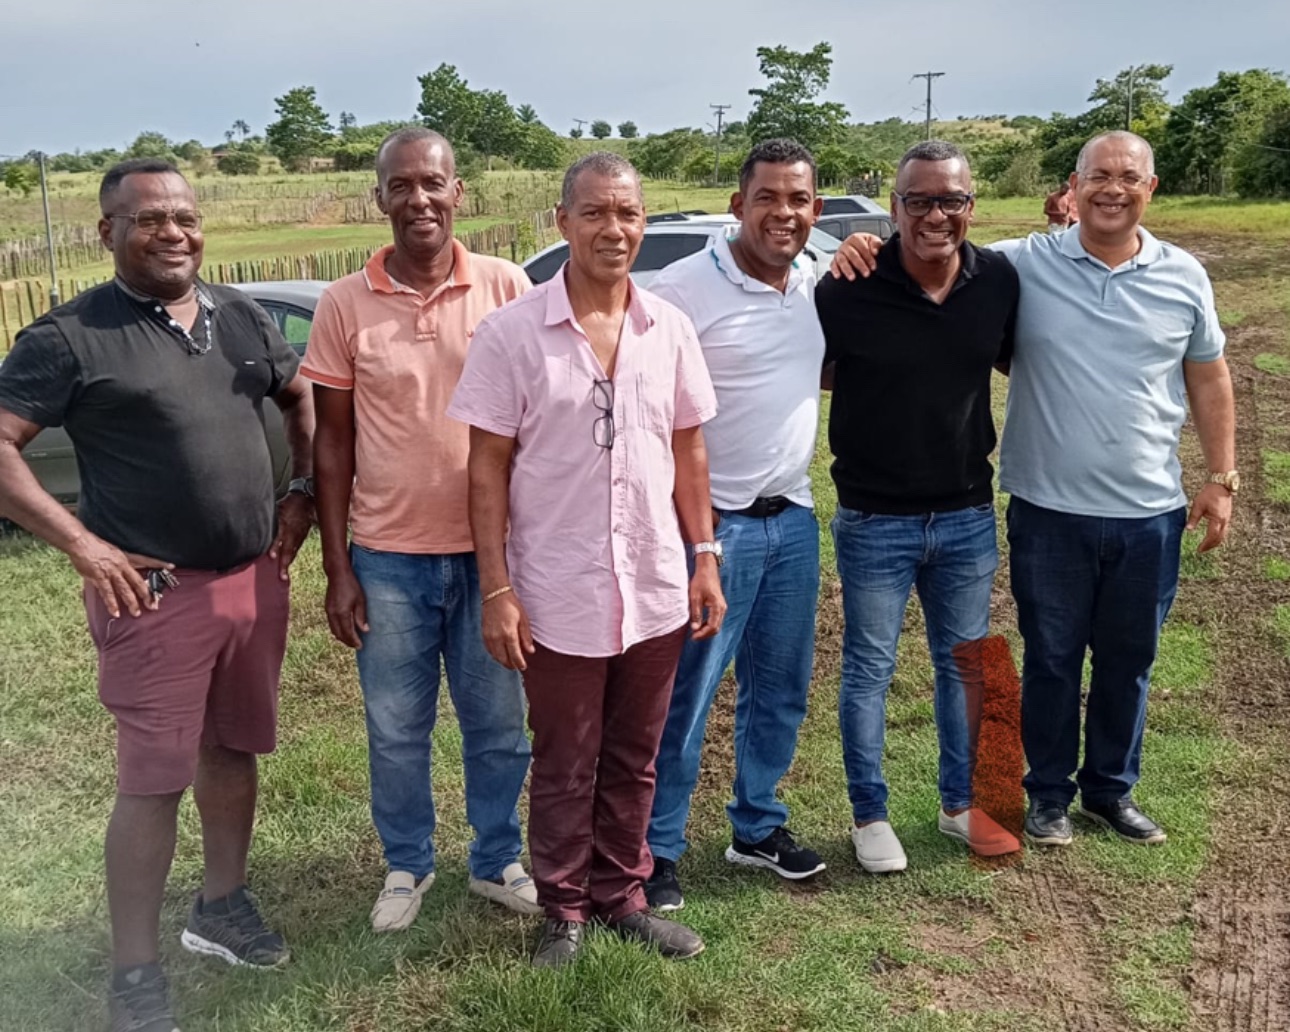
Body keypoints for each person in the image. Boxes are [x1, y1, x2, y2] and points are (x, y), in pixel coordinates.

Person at [0, 158, 315, 1032]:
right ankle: (135, 978)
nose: (173, 232)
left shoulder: (239, 315)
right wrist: (83, 545)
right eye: (148, 220)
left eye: (184, 216)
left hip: (251, 581)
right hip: (155, 596)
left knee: (233, 749)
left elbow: (301, 397)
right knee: (153, 781)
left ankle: (221, 907)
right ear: (108, 232)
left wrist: (301, 493)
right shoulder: (71, 336)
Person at [447, 152, 724, 967]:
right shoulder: (512, 334)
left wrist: (704, 555)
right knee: (566, 756)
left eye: (627, 213)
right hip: (556, 589)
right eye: (595, 212)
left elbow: (689, 449)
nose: (614, 229)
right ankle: (564, 908)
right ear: (562, 221)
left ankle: (622, 896)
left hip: (653, 584)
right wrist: (496, 589)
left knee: (636, 754)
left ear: (645, 223)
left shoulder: (667, 328)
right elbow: (486, 469)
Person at [302, 128, 539, 934]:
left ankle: (497, 858)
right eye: (400, 186)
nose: (419, 200)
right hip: (388, 559)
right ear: (380, 198)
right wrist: (338, 568)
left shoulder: (507, 286)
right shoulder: (344, 303)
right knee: (396, 729)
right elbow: (332, 446)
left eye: (432, 183)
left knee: (498, 723)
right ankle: (407, 863)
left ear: (457, 191)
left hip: (491, 559)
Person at [994, 131, 1234, 847]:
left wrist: (1220, 478)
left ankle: (1110, 790)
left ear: (1150, 188)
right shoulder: (1024, 263)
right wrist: (861, 248)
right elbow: (935, 258)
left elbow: (1209, 376)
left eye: (1129, 177)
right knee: (1052, 658)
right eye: (1099, 175)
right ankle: (1047, 794)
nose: (1113, 189)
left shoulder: (1184, 275)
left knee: (1129, 663)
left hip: (1149, 513)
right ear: (1074, 186)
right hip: (1049, 510)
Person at [815, 140, 1021, 874]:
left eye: (951, 200)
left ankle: (964, 805)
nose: (936, 215)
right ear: (894, 207)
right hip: (874, 517)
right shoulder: (847, 285)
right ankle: (869, 816)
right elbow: (819, 370)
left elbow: (1014, 355)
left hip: (966, 512)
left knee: (969, 664)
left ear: (972, 205)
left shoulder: (999, 280)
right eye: (920, 201)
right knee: (868, 669)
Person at [641, 138, 828, 913]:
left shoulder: (815, 280)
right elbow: (655, 419)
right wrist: (696, 540)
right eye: (767, 198)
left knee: (779, 691)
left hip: (795, 520)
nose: (784, 213)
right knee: (685, 699)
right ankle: (655, 849)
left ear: (816, 209)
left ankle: (757, 826)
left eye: (799, 199)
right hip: (714, 531)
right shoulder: (682, 292)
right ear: (736, 205)